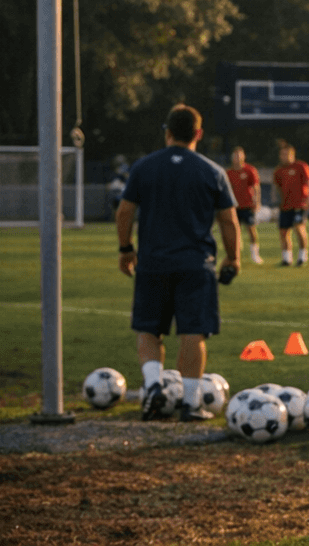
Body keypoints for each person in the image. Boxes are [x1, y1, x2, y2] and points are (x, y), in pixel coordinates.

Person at [117, 104, 241, 422]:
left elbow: (125, 212)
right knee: (193, 332)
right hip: (195, 264)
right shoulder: (212, 171)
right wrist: (234, 257)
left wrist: (126, 249)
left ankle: (154, 387)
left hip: (153, 263)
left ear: (167, 132)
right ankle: (190, 404)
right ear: (198, 134)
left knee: (148, 328)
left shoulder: (144, 167)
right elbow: (229, 221)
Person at [272, 143, 309, 266]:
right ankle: (286, 259)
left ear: (292, 155)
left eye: (286, 154)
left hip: (299, 204)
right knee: (283, 232)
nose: (284, 157)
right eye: (282, 154)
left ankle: (302, 256)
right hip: (285, 205)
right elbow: (277, 186)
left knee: (299, 228)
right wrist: (276, 200)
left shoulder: (301, 166)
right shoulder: (279, 170)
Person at [224, 146, 264, 265]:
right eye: (235, 155)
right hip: (234, 207)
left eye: (239, 154)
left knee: (251, 230)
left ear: (244, 156)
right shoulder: (229, 172)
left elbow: (256, 187)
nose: (237, 157)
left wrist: (257, 202)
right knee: (235, 232)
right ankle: (235, 256)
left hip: (247, 206)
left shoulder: (250, 170)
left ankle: (255, 255)